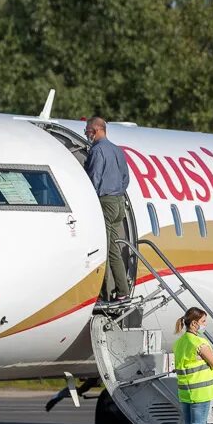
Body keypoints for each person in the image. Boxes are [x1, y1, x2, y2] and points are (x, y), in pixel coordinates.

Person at [82, 117, 131, 302]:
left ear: (96, 130)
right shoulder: (117, 150)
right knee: (113, 249)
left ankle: (105, 293)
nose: (86, 134)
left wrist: (88, 201)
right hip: (118, 203)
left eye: (87, 131)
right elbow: (126, 178)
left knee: (104, 250)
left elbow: (94, 178)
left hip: (105, 203)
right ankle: (121, 291)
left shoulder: (97, 150)